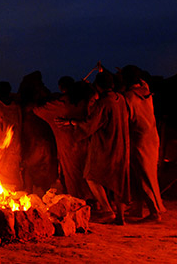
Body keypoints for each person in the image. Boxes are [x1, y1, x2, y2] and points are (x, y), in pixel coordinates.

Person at [62, 70, 130, 225]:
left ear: (98, 86)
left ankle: (108, 210)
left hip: (106, 146)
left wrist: (72, 123)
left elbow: (90, 124)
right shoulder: (121, 99)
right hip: (121, 144)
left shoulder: (104, 103)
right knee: (119, 180)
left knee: (91, 176)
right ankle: (120, 216)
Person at [34, 77, 91, 199]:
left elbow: (38, 110)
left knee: (72, 174)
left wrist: (44, 98)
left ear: (61, 88)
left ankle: (79, 201)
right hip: (85, 143)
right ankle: (92, 200)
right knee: (86, 173)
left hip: (68, 146)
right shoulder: (83, 101)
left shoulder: (60, 105)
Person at [122, 65, 165, 222]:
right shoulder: (146, 91)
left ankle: (155, 212)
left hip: (139, 139)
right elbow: (142, 81)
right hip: (152, 136)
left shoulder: (129, 97)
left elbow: (126, 120)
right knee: (146, 174)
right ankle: (137, 208)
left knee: (143, 176)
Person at [18, 71, 58, 195]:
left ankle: (48, 196)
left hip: (42, 136)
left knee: (46, 166)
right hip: (33, 136)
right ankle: (30, 194)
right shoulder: (27, 102)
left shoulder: (43, 98)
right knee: (30, 166)